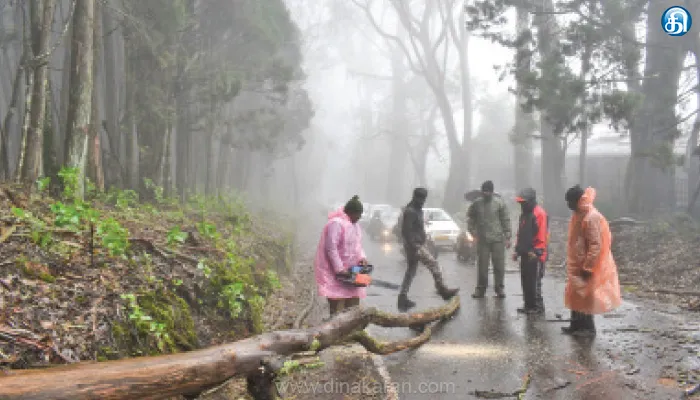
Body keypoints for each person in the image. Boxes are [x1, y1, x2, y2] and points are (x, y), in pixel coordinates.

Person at [562, 185, 622, 337]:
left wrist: (588, 267)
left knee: (586, 296)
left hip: (586, 265)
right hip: (577, 262)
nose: (568, 205)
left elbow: (596, 245)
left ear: (577, 200)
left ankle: (588, 329)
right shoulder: (578, 214)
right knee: (575, 294)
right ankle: (575, 325)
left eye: (569, 202)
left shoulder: (591, 217)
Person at [398, 187, 459, 311]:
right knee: (433, 264)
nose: (421, 201)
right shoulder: (410, 211)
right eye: (420, 198)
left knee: (411, 271)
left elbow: (417, 228)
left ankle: (402, 297)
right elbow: (406, 231)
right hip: (414, 246)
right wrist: (414, 245)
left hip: (418, 244)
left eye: (423, 198)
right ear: (415, 197)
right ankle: (442, 290)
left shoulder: (418, 210)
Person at [314, 195, 369, 317]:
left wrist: (362, 258)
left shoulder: (355, 226)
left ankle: (352, 333)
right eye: (358, 214)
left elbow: (357, 246)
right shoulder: (336, 224)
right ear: (350, 212)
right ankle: (336, 333)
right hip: (336, 274)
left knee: (353, 308)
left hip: (352, 273)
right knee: (337, 308)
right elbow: (331, 248)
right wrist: (339, 269)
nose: (359, 217)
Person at [467, 180, 512, 298]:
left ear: (492, 192)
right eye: (484, 191)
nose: (486, 194)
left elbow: (505, 219)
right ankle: (480, 289)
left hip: (497, 239)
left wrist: (507, 236)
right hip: (482, 240)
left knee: (499, 266)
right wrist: (472, 232)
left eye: (488, 191)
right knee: (482, 266)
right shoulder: (476, 204)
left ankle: (499, 289)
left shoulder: (499, 203)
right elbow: (470, 218)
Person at [513, 188, 548, 314]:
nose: (521, 205)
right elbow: (520, 233)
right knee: (525, 280)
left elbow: (542, 235)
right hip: (524, 253)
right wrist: (517, 250)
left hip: (535, 254)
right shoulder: (524, 214)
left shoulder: (539, 213)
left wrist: (537, 251)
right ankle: (528, 305)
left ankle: (537, 307)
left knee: (534, 281)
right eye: (520, 203)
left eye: (524, 202)